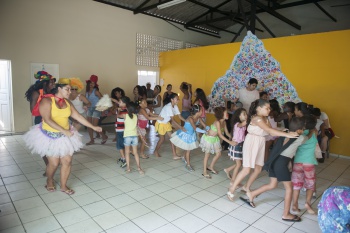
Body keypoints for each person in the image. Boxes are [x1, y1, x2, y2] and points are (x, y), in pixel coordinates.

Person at [23, 78, 102, 195]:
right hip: (49, 136)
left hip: (65, 135)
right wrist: (64, 131)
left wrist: (93, 127)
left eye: (70, 89)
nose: (70, 92)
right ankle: (49, 180)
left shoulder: (67, 102)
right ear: (59, 88)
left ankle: (64, 186)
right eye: (67, 89)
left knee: (67, 161)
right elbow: (48, 120)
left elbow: (78, 117)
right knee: (54, 163)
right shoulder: (46, 101)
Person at [227, 99, 299, 201]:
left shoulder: (265, 118)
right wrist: (288, 134)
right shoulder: (257, 119)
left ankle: (246, 187)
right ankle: (231, 189)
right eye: (267, 108)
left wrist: (283, 130)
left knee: (258, 169)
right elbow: (270, 131)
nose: (269, 110)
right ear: (259, 108)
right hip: (252, 142)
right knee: (246, 169)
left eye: (269, 108)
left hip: (260, 142)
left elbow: (271, 131)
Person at [243, 117, 309, 222]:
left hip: (273, 161)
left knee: (272, 184)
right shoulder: (300, 138)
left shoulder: (284, 133)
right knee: (289, 188)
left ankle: (252, 194)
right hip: (281, 163)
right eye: (303, 128)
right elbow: (307, 138)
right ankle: (286, 214)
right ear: (299, 130)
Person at [25, 71, 56, 175]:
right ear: (44, 83)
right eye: (51, 83)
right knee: (43, 146)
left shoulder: (52, 93)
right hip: (40, 121)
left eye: (53, 82)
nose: (53, 84)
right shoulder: (37, 93)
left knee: (53, 144)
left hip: (52, 120)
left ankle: (52, 164)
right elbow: (32, 110)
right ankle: (48, 166)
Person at [292, 115, 318, 215]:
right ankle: (307, 203)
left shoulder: (300, 133)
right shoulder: (314, 132)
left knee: (296, 184)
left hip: (298, 162)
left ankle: (294, 204)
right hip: (309, 162)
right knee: (310, 184)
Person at [199, 107, 235, 179]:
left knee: (219, 154)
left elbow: (227, 133)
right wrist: (230, 142)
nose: (227, 114)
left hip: (215, 139)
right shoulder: (217, 122)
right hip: (208, 139)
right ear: (221, 114)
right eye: (226, 113)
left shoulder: (224, 122)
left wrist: (234, 138)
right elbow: (220, 134)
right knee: (207, 155)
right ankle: (204, 172)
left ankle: (210, 167)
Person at [170, 104, 205, 172]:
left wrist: (208, 128)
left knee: (188, 148)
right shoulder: (190, 118)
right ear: (197, 111)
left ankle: (183, 156)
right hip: (186, 134)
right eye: (201, 110)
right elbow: (195, 128)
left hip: (191, 135)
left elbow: (204, 125)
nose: (202, 111)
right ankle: (188, 165)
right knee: (188, 149)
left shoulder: (199, 118)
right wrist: (204, 131)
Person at [154, 93, 186, 159]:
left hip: (166, 123)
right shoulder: (168, 107)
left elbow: (180, 116)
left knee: (172, 138)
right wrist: (180, 127)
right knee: (162, 139)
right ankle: (156, 151)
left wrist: (187, 121)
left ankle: (174, 155)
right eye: (177, 99)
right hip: (161, 123)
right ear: (172, 99)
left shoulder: (175, 106)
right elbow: (173, 120)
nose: (178, 100)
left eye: (178, 99)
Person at [223, 108, 247, 186]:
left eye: (246, 114)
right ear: (238, 116)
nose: (246, 116)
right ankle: (233, 181)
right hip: (236, 146)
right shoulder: (237, 124)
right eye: (244, 114)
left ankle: (228, 170)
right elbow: (243, 124)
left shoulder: (242, 124)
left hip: (240, 145)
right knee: (239, 164)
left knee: (240, 163)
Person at [85, 75, 108, 145]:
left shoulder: (96, 91)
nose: (91, 84)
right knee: (89, 125)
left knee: (94, 126)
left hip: (96, 109)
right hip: (89, 109)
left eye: (93, 83)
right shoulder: (86, 92)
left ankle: (104, 136)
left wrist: (103, 109)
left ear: (95, 85)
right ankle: (92, 140)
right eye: (91, 83)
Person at [123, 102, 144, 174]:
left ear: (127, 109)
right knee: (135, 153)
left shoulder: (125, 115)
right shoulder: (136, 116)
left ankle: (128, 168)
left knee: (127, 153)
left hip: (127, 136)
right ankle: (139, 168)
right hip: (135, 136)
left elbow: (117, 116)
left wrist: (119, 110)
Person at [114, 96, 130, 168]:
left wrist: (118, 110)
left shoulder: (123, 111)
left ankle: (124, 159)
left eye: (120, 102)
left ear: (125, 103)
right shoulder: (127, 109)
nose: (118, 103)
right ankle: (123, 157)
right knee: (123, 144)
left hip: (120, 130)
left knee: (119, 145)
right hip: (124, 130)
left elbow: (118, 116)